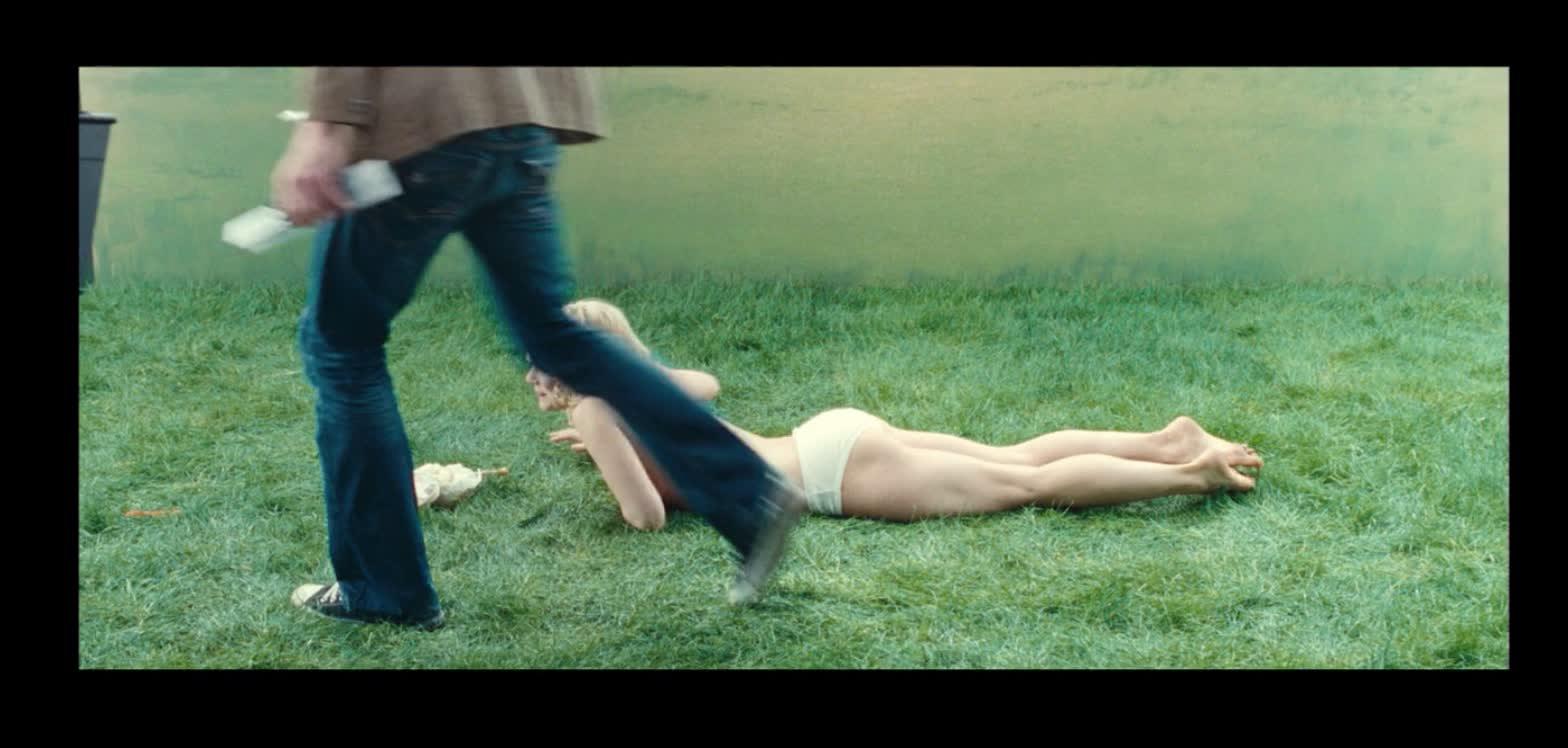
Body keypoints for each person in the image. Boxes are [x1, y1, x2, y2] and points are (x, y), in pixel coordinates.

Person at [271, 67, 804, 629]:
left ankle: (386, 592)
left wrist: (324, 126)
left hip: (426, 121)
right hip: (522, 118)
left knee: (341, 347)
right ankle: (747, 494)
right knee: (552, 334)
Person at [531, 299, 1264, 527]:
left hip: (830, 474)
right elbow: (704, 384)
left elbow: (645, 518)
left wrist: (605, 441)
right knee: (1014, 457)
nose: (532, 374)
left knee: (1027, 486)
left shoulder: (602, 410)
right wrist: (613, 415)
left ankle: (1192, 473)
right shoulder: (635, 396)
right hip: (831, 434)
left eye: (539, 359)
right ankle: (1167, 440)